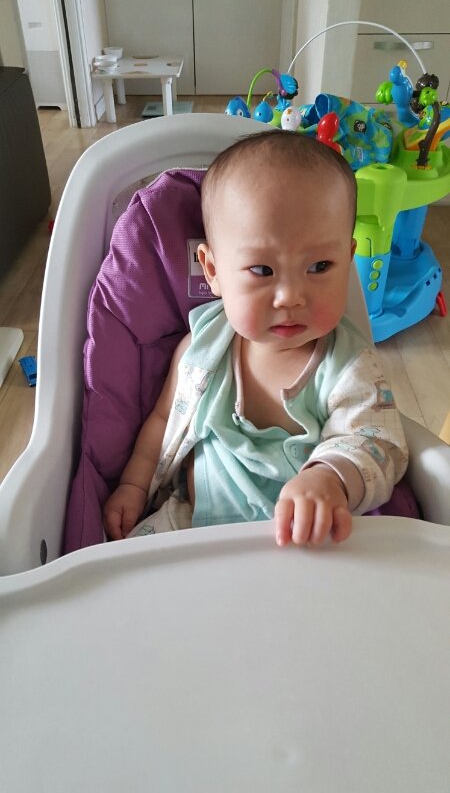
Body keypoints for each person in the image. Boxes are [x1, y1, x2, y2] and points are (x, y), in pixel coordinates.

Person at [103, 130, 408, 547]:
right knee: (129, 568)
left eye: (320, 266)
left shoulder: (348, 365)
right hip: (190, 522)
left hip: (301, 537)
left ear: (348, 258)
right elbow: (162, 421)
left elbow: (376, 442)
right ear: (213, 271)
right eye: (263, 270)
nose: (291, 297)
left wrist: (329, 478)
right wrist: (134, 486)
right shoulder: (202, 347)